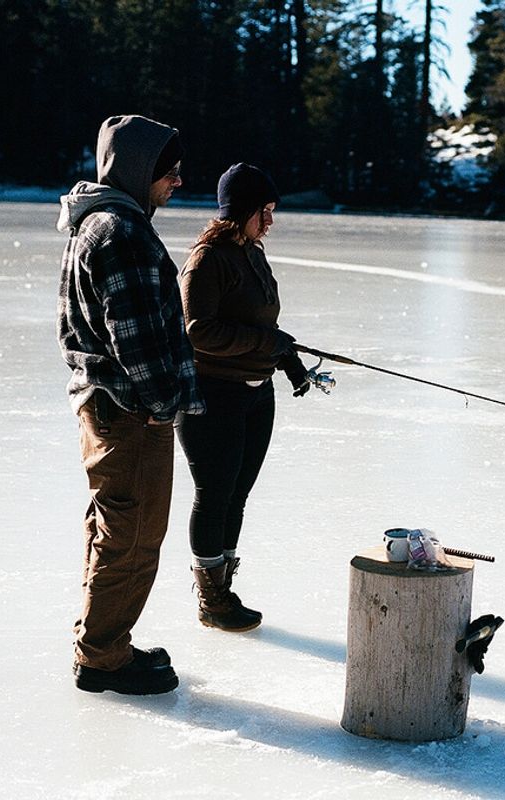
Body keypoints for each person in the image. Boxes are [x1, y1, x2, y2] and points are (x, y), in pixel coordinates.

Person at [56, 115, 204, 694]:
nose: (177, 181)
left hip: (104, 403)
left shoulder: (97, 222)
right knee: (132, 536)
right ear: (140, 171)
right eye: (169, 171)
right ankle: (102, 658)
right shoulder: (121, 232)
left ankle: (102, 641)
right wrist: (163, 405)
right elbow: (136, 340)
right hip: (129, 412)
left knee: (114, 527)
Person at [177, 162, 320, 632]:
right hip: (213, 394)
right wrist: (267, 344)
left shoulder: (252, 253)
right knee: (214, 496)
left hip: (257, 395)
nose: (271, 221)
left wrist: (288, 359)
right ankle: (211, 598)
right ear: (240, 210)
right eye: (265, 211)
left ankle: (223, 588)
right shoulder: (208, 259)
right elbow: (198, 331)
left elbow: (262, 325)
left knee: (236, 497)